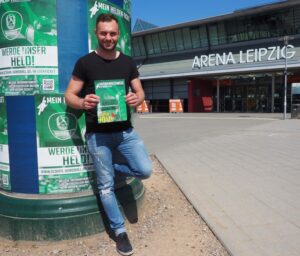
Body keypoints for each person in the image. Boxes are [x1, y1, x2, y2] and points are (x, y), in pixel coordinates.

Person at [65, 13, 152, 256]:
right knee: (105, 187)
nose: (108, 37)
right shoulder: (84, 63)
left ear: (119, 35)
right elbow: (69, 95)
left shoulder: (128, 62)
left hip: (125, 132)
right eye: (103, 33)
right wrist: (83, 103)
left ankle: (113, 169)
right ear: (96, 33)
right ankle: (120, 233)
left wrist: (137, 99)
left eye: (112, 33)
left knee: (144, 170)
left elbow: (140, 92)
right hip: (98, 135)